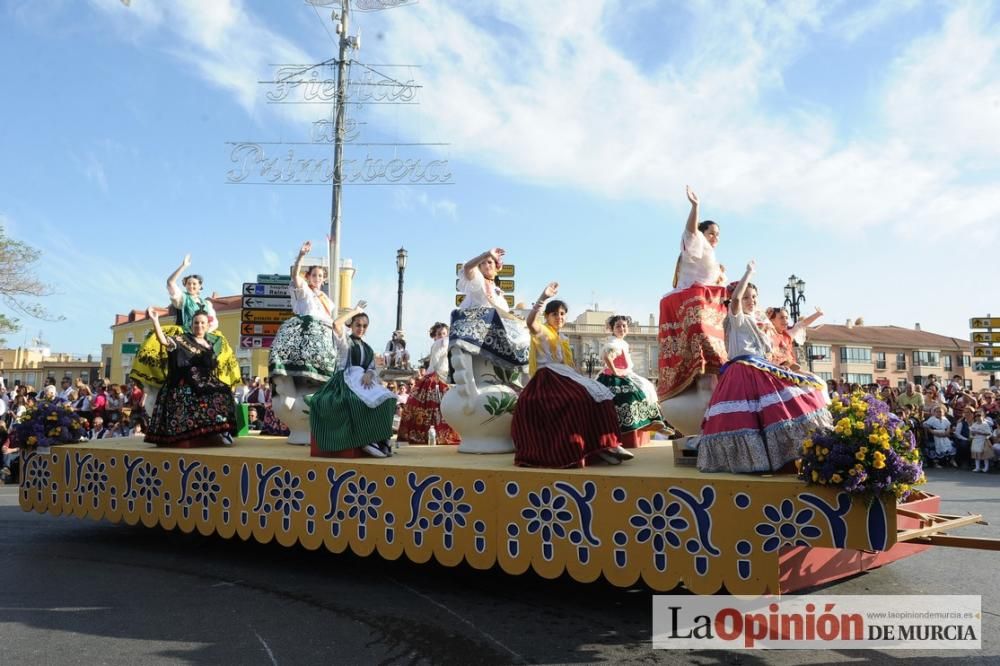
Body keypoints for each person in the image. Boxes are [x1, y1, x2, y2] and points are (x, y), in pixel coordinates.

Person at [697, 261, 831, 474]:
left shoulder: (756, 324)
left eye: (755, 297)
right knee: (747, 417)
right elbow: (736, 300)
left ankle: (790, 455)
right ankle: (753, 461)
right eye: (747, 297)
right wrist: (748, 274)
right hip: (742, 370)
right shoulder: (736, 318)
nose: (752, 301)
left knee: (793, 399)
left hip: (760, 368)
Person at [512, 282, 630, 468]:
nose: (559, 317)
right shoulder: (542, 331)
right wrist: (543, 297)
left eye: (562, 313)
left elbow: (567, 364)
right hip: (547, 377)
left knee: (602, 392)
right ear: (547, 316)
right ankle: (584, 449)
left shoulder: (563, 339)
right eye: (554, 313)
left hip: (564, 374)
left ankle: (609, 443)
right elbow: (530, 322)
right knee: (576, 400)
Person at [129, 255, 241, 393]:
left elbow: (214, 321)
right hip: (185, 331)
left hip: (204, 332)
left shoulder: (207, 304)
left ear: (200, 286)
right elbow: (170, 283)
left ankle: (217, 378)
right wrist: (183, 266)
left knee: (222, 349)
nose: (191, 286)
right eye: (189, 283)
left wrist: (205, 331)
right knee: (168, 350)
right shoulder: (183, 299)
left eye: (194, 284)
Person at [658, 186, 729, 403]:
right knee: (701, 333)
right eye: (711, 233)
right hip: (693, 301)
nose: (715, 237)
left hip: (710, 302)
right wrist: (695, 207)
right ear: (702, 233)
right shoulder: (697, 243)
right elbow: (690, 232)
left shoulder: (712, 257)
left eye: (717, 234)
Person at [306, 302, 398, 458]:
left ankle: (381, 439)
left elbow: (371, 367)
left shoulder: (368, 348)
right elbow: (336, 323)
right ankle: (365, 441)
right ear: (352, 325)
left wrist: (369, 374)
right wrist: (355, 310)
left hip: (363, 380)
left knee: (389, 398)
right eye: (358, 324)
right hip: (345, 379)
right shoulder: (345, 341)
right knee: (355, 401)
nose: (361, 328)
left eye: (364, 326)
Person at [143, 306, 237, 447]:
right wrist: (156, 321)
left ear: (207, 325)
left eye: (202, 323)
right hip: (183, 381)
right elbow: (164, 341)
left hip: (204, 381)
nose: (199, 325)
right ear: (192, 325)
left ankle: (218, 431)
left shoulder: (210, 345)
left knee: (224, 391)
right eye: (196, 323)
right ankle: (190, 434)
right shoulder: (182, 340)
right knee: (189, 395)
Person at [269, 241, 339, 384]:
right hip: (307, 331)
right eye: (314, 275)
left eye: (320, 275)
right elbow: (295, 275)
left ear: (324, 279)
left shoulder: (327, 300)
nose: (317, 278)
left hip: (324, 335)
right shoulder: (304, 291)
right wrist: (301, 255)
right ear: (308, 277)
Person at [450, 247, 529, 372]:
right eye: (483, 263)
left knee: (525, 338)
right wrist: (486, 254)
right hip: (479, 331)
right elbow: (467, 269)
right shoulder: (478, 281)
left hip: (496, 331)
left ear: (497, 267)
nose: (486, 265)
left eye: (490, 262)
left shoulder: (498, 292)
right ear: (479, 267)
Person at [596, 314, 667, 448]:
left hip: (625, 373)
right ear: (612, 329)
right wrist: (616, 371)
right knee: (630, 396)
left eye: (624, 326)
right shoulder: (613, 342)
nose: (622, 328)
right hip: (614, 377)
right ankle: (645, 424)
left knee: (646, 388)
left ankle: (651, 423)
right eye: (618, 326)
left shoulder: (622, 342)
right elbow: (607, 356)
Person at [397, 322, 461, 445]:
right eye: (439, 334)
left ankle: (432, 434)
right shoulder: (441, 344)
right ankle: (438, 434)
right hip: (437, 377)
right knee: (437, 407)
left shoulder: (443, 344)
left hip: (441, 377)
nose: (442, 336)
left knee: (435, 408)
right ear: (434, 336)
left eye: (444, 334)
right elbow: (435, 364)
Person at [765, 306, 824, 372]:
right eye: (781, 317)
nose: (785, 321)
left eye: (786, 318)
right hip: (773, 369)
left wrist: (817, 314)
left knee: (810, 377)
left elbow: (802, 324)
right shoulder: (767, 333)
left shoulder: (788, 334)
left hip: (789, 368)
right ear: (772, 320)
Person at [922, 405, 957, 469]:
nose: (939, 413)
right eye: (937, 412)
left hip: (944, 434)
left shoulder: (945, 419)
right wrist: (933, 432)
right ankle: (936, 462)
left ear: (943, 413)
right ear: (934, 412)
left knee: (950, 444)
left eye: (940, 412)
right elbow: (926, 427)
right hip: (934, 434)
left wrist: (946, 433)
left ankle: (951, 460)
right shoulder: (932, 419)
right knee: (933, 446)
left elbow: (948, 426)